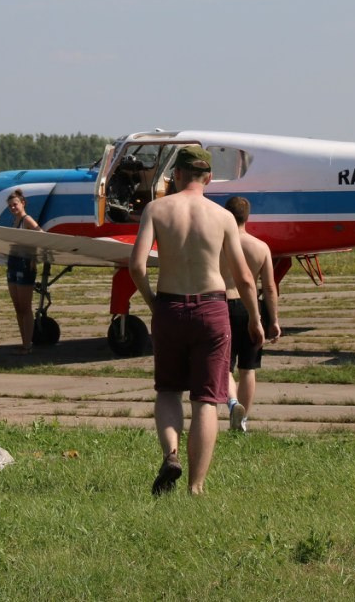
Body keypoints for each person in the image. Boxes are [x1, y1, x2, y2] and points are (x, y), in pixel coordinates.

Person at [129, 145, 264, 496]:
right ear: (208, 178)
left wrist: (153, 301)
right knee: (206, 400)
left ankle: (171, 454)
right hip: (212, 310)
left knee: (168, 390)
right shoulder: (223, 217)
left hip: (170, 307)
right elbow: (245, 278)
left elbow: (137, 266)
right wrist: (255, 318)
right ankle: (196, 486)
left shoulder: (156, 209)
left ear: (176, 175)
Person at [222, 196, 281, 433]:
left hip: (221, 304)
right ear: (247, 217)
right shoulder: (260, 247)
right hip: (251, 308)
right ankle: (243, 420)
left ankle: (232, 403)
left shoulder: (218, 244)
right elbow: (269, 287)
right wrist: (273, 320)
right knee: (248, 368)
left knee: (223, 366)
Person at [4, 189, 42, 353]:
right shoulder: (15, 221)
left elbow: (41, 236)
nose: (13, 208)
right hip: (13, 263)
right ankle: (24, 342)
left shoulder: (27, 220)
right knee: (18, 308)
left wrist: (34, 256)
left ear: (23, 203)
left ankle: (28, 345)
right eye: (10, 206)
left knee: (25, 308)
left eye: (15, 204)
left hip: (24, 264)